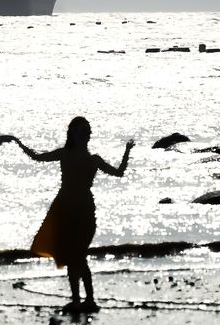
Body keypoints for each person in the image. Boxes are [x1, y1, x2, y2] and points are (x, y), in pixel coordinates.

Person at [14, 117, 134, 314]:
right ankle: (80, 300)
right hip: (64, 210)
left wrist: (127, 151)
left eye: (87, 132)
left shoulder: (93, 159)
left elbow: (119, 173)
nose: (85, 136)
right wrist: (18, 143)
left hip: (84, 212)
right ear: (73, 135)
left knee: (78, 255)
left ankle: (87, 300)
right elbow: (37, 157)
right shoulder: (65, 154)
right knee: (74, 256)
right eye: (82, 132)